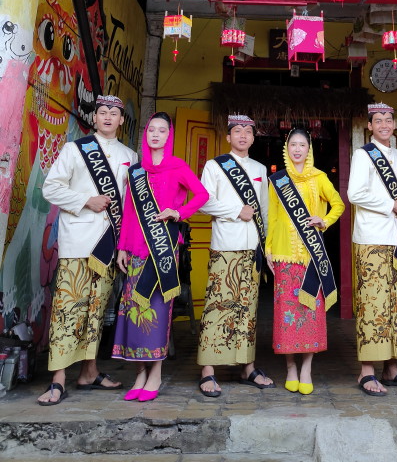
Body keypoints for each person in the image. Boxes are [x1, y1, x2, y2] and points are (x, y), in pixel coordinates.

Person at [37, 94, 137, 405]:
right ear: (94, 118)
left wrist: (125, 246)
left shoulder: (130, 156)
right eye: (102, 112)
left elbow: (131, 206)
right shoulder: (75, 149)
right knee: (68, 311)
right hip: (78, 243)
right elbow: (51, 187)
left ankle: (89, 371)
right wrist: (85, 201)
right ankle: (57, 379)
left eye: (114, 113)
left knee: (97, 311)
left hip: (110, 246)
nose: (107, 117)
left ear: (122, 121)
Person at [112, 112, 209, 401]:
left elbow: (202, 195)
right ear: (146, 135)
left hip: (164, 249)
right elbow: (130, 212)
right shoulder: (137, 171)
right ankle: (140, 373)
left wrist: (178, 213)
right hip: (137, 250)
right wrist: (122, 248)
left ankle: (155, 374)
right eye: (151, 130)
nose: (156, 134)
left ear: (169, 136)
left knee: (156, 311)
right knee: (134, 312)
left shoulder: (178, 167)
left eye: (162, 130)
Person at [348, 103, 397, 396]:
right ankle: (366, 371)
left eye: (388, 120)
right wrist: (390, 204)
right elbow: (354, 193)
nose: (383, 124)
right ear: (369, 126)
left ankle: (391, 368)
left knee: (395, 305)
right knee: (372, 304)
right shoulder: (362, 155)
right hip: (371, 239)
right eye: (378, 121)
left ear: (394, 124)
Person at [196, 114, 273, 397]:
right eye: (237, 131)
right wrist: (234, 210)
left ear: (254, 137)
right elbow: (204, 201)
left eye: (247, 131)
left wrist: (267, 247)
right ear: (228, 136)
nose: (242, 135)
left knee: (247, 310)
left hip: (252, 248)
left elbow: (264, 210)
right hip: (225, 246)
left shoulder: (259, 168)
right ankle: (208, 370)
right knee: (218, 308)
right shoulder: (215, 165)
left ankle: (247, 366)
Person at [266, 128, 344, 395]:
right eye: (293, 145)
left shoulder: (319, 178)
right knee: (286, 315)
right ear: (286, 149)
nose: (297, 149)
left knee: (311, 313)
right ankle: (290, 367)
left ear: (309, 149)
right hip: (283, 256)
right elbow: (272, 217)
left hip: (312, 257)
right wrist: (268, 249)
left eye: (302, 145)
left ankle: (307, 369)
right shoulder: (277, 180)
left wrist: (325, 221)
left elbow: (338, 204)